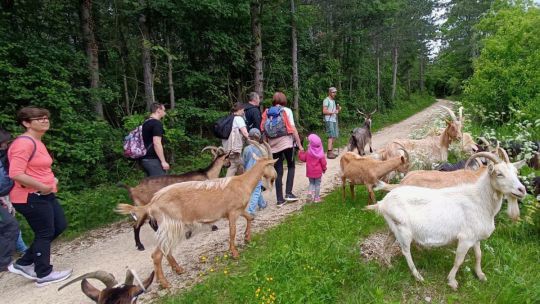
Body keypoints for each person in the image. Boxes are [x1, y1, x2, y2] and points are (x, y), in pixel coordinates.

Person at [7, 106, 72, 286]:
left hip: (45, 194)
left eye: (45, 117)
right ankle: (44, 273)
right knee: (44, 232)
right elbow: (16, 173)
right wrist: (42, 185)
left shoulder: (37, 141)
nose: (45, 120)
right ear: (26, 123)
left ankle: (24, 262)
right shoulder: (23, 143)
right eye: (39, 118)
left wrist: (52, 180)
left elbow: (38, 168)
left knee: (59, 225)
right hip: (29, 196)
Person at [261, 92, 304, 206]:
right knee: (291, 166)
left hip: (273, 145)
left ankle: (279, 200)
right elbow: (293, 129)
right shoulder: (286, 111)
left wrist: (267, 146)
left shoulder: (267, 112)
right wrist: (299, 145)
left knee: (278, 171)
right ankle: (289, 193)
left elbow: (263, 130)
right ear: (284, 100)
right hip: (286, 143)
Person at [0, 129, 28, 255]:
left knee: (11, 223)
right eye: (3, 142)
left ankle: (22, 250)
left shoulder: (5, 155)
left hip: (4, 196)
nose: (5, 145)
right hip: (2, 196)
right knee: (9, 224)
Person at [242, 128, 267, 217]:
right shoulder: (262, 148)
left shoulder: (246, 149)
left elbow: (243, 162)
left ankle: (262, 204)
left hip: (248, 174)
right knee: (256, 191)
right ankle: (250, 211)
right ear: (259, 137)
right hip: (257, 173)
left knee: (256, 189)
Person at [140, 102, 169, 177]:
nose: (165, 113)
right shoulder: (156, 124)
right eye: (164, 110)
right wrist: (163, 161)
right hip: (153, 160)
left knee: (151, 186)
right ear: (158, 110)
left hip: (144, 159)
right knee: (162, 185)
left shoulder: (145, 123)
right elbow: (156, 143)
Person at [222, 102, 249, 177]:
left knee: (239, 164)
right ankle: (226, 185)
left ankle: (241, 182)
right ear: (239, 110)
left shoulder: (229, 118)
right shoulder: (238, 119)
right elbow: (245, 133)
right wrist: (252, 141)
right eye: (243, 110)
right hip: (234, 149)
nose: (243, 112)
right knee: (233, 165)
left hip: (227, 147)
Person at [298, 134, 327, 203]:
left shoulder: (308, 152)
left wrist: (301, 153)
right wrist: (324, 169)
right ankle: (316, 198)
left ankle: (310, 193)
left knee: (311, 183)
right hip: (318, 172)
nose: (308, 144)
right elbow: (323, 163)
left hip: (310, 172)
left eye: (309, 142)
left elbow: (303, 158)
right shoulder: (320, 154)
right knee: (317, 184)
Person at [322, 87, 341, 159]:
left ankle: (331, 151)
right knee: (330, 136)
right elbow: (324, 111)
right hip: (329, 120)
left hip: (333, 119)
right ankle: (329, 153)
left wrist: (338, 109)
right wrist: (333, 112)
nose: (334, 94)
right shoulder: (326, 100)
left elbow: (335, 111)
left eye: (335, 92)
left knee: (334, 136)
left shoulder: (333, 101)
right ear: (329, 92)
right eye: (333, 92)